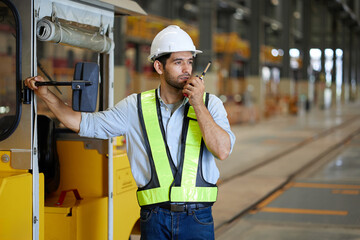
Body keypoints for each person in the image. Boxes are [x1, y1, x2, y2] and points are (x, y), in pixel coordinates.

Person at [25, 25, 235, 240]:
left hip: (197, 219)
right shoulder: (135, 106)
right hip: (154, 218)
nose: (186, 70)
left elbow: (222, 150)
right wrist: (46, 95)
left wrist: (198, 105)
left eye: (189, 62)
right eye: (178, 62)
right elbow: (82, 123)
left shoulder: (211, 105)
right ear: (159, 67)